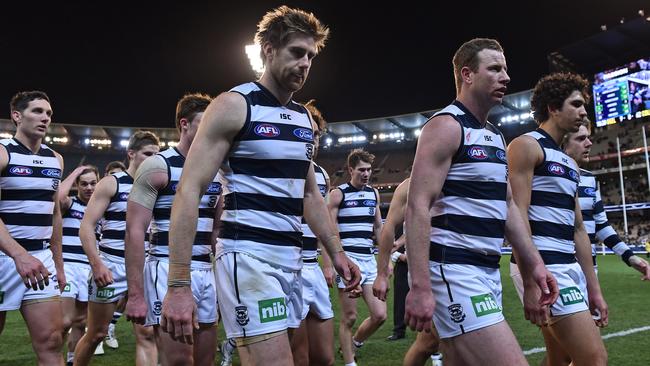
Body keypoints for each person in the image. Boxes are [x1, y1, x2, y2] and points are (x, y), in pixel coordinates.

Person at [160, 6, 361, 366]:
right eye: (296, 52)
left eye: (311, 56)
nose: (305, 64)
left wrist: (337, 252)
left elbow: (309, 194)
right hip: (248, 258)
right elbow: (188, 191)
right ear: (268, 50)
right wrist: (178, 283)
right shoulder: (235, 105)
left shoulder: (301, 117)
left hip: (293, 262)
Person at [404, 38, 558, 365]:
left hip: (487, 271)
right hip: (454, 270)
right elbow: (417, 206)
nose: (506, 77)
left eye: (505, 69)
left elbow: (509, 209)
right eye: (495, 69)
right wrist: (418, 287)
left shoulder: (495, 136)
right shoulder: (446, 126)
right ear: (467, 74)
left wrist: (535, 265)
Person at [508, 72, 608, 365]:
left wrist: (594, 289)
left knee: (559, 358)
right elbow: (517, 216)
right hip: (544, 268)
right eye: (576, 104)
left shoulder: (569, 162)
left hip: (569, 266)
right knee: (594, 359)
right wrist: (529, 281)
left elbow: (578, 228)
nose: (583, 112)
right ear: (553, 107)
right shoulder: (526, 146)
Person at [124, 93, 223, 365]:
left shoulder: (218, 168)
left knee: (205, 361)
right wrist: (135, 295)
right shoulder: (158, 165)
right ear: (184, 125)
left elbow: (216, 232)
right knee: (178, 361)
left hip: (205, 271)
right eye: (204, 123)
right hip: (167, 269)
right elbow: (134, 231)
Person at [74, 131, 160, 366]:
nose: (154, 159)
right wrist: (97, 263)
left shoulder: (158, 186)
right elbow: (86, 227)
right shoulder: (112, 183)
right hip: (111, 266)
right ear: (131, 153)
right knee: (95, 334)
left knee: (147, 334)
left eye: (157, 154)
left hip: (144, 269)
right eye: (148, 154)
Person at [0, 90, 66, 365]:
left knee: (52, 341)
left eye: (48, 113)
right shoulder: (3, 153)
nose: (45, 118)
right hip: (4, 257)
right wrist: (18, 255)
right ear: (17, 116)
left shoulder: (56, 159)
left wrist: (59, 265)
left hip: (40, 258)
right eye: (37, 111)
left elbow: (55, 215)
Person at [562, 118, 650, 280]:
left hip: (589, 267)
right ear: (563, 145)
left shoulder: (590, 179)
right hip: (559, 267)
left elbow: (601, 225)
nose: (589, 143)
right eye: (581, 139)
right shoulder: (544, 177)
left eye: (588, 138)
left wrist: (630, 256)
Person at [373, 177, 442, 366]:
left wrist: (401, 241)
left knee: (426, 344)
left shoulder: (459, 175)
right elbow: (389, 227)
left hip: (466, 267)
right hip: (435, 272)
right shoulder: (410, 185)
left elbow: (415, 225)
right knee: (458, 345)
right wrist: (381, 273)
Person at [288, 100, 336, 366]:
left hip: (312, 267)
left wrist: (327, 265)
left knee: (324, 357)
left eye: (316, 135)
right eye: (308, 133)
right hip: (289, 268)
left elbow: (323, 222)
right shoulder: (280, 167)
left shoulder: (321, 175)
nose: (313, 140)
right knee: (299, 357)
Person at [328, 148, 385, 366]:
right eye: (362, 169)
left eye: (369, 170)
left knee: (380, 315)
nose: (366, 174)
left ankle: (353, 343)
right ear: (351, 169)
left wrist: (384, 259)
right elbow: (332, 230)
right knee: (350, 317)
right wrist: (340, 261)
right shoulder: (338, 194)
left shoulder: (374, 194)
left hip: (369, 259)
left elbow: (379, 227)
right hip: (349, 262)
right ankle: (350, 363)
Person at [58, 165, 101, 365]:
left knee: (81, 322)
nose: (89, 188)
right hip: (67, 267)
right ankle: (53, 359)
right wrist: (76, 172)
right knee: (63, 322)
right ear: (77, 185)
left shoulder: (102, 209)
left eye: (93, 183)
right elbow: (58, 197)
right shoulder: (70, 204)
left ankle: (71, 361)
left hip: (89, 269)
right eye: (83, 184)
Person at [101, 160, 127, 349]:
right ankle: (97, 330)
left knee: (125, 299)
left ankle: (110, 325)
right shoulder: (103, 192)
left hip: (132, 256)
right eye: (112, 174)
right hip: (105, 255)